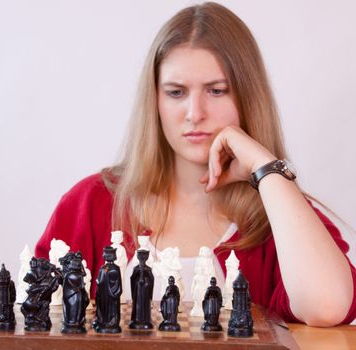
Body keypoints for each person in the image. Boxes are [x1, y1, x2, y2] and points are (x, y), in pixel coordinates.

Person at [35, 2, 356, 327]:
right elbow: (36, 324)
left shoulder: (281, 215)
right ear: (155, 101)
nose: (194, 113)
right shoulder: (89, 204)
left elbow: (327, 307)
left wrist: (265, 167)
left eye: (216, 91)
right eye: (175, 93)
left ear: (249, 98)